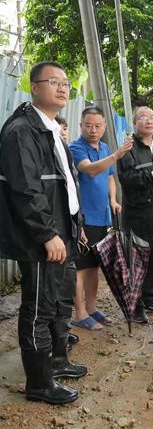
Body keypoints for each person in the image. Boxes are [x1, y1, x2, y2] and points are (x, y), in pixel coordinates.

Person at [0, 61, 87, 404]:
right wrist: (47, 234)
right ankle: (38, 383)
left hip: (61, 233)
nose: (63, 88)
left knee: (57, 302)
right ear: (34, 87)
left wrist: (72, 228)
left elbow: (63, 186)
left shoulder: (49, 129)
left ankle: (56, 362)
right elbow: (26, 190)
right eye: (54, 82)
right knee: (37, 309)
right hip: (40, 239)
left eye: (66, 83)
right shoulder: (22, 130)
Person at [69, 106, 133, 330]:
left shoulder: (104, 146)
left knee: (95, 267)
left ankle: (92, 308)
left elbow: (109, 178)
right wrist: (116, 155)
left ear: (104, 126)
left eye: (97, 125)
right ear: (81, 126)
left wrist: (113, 200)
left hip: (103, 217)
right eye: (88, 125)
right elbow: (91, 170)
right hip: (83, 217)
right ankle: (79, 313)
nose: (93, 130)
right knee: (80, 267)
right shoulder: (76, 147)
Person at [118, 106, 153, 322]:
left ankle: (149, 298)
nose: (149, 121)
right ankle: (134, 305)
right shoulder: (128, 149)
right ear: (135, 123)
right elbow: (127, 179)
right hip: (138, 213)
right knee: (136, 260)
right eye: (144, 118)